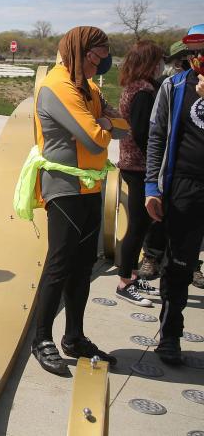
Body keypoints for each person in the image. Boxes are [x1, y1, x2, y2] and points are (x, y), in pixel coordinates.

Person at [29, 26, 128, 375]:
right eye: (98, 56)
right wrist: (103, 123)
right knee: (59, 264)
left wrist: (103, 121)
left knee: (83, 266)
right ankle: (41, 339)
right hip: (65, 187)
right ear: (80, 51)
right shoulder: (58, 87)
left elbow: (122, 123)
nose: (103, 63)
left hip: (90, 186)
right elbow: (96, 138)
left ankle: (74, 336)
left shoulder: (89, 88)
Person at [144, 23, 204, 365]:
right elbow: (156, 136)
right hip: (183, 186)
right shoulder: (174, 86)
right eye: (193, 54)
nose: (197, 60)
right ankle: (170, 336)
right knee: (178, 265)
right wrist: (152, 186)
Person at [114, 40, 165, 306]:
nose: (161, 65)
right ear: (149, 63)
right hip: (139, 167)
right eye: (158, 60)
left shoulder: (133, 86)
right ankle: (124, 282)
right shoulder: (143, 91)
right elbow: (146, 134)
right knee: (137, 226)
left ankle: (133, 275)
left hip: (133, 164)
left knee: (141, 223)